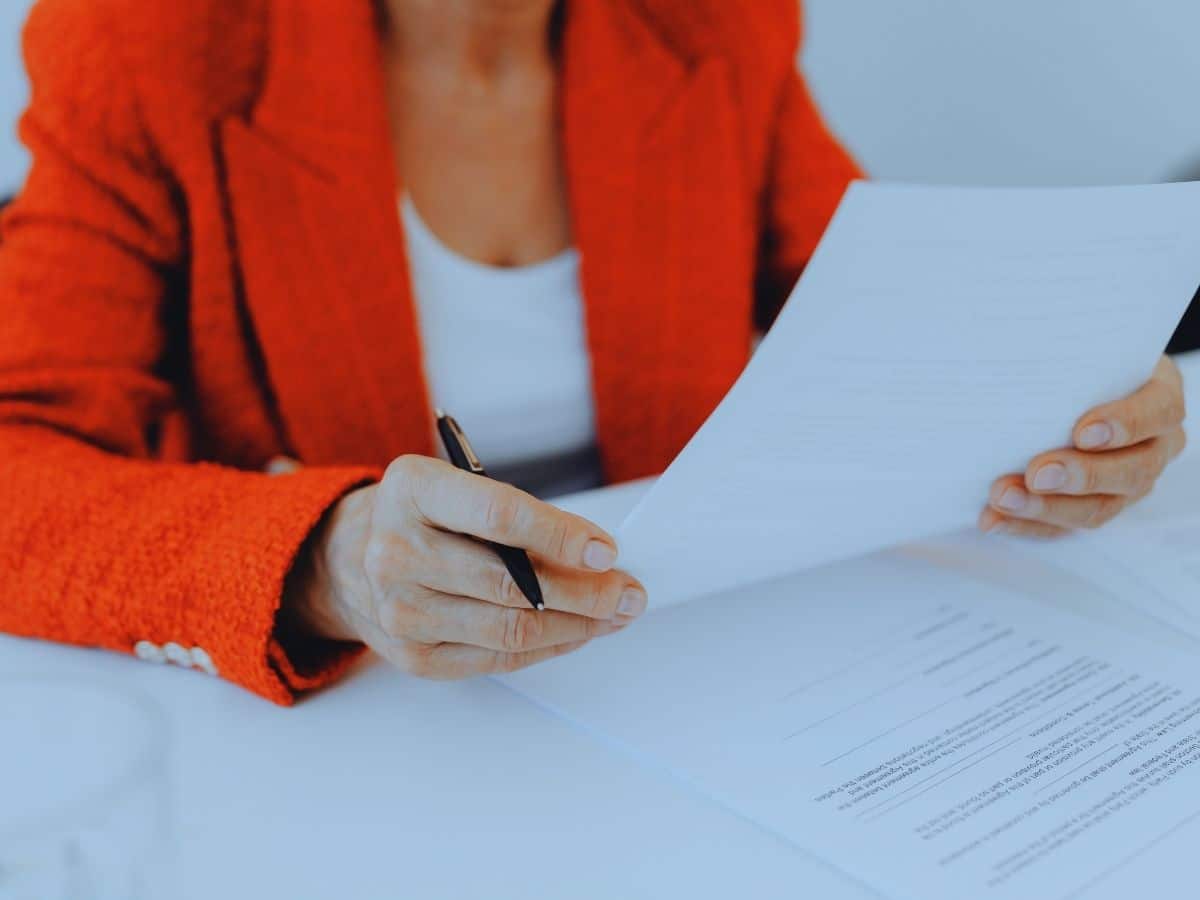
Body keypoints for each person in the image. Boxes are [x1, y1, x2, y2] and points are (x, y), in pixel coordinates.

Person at [0, 0, 1185, 705]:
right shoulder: (151, 40)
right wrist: (322, 562)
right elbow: (16, 463)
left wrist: (1069, 397)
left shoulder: (707, 22)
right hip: (353, 736)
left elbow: (888, 318)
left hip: (667, 680)